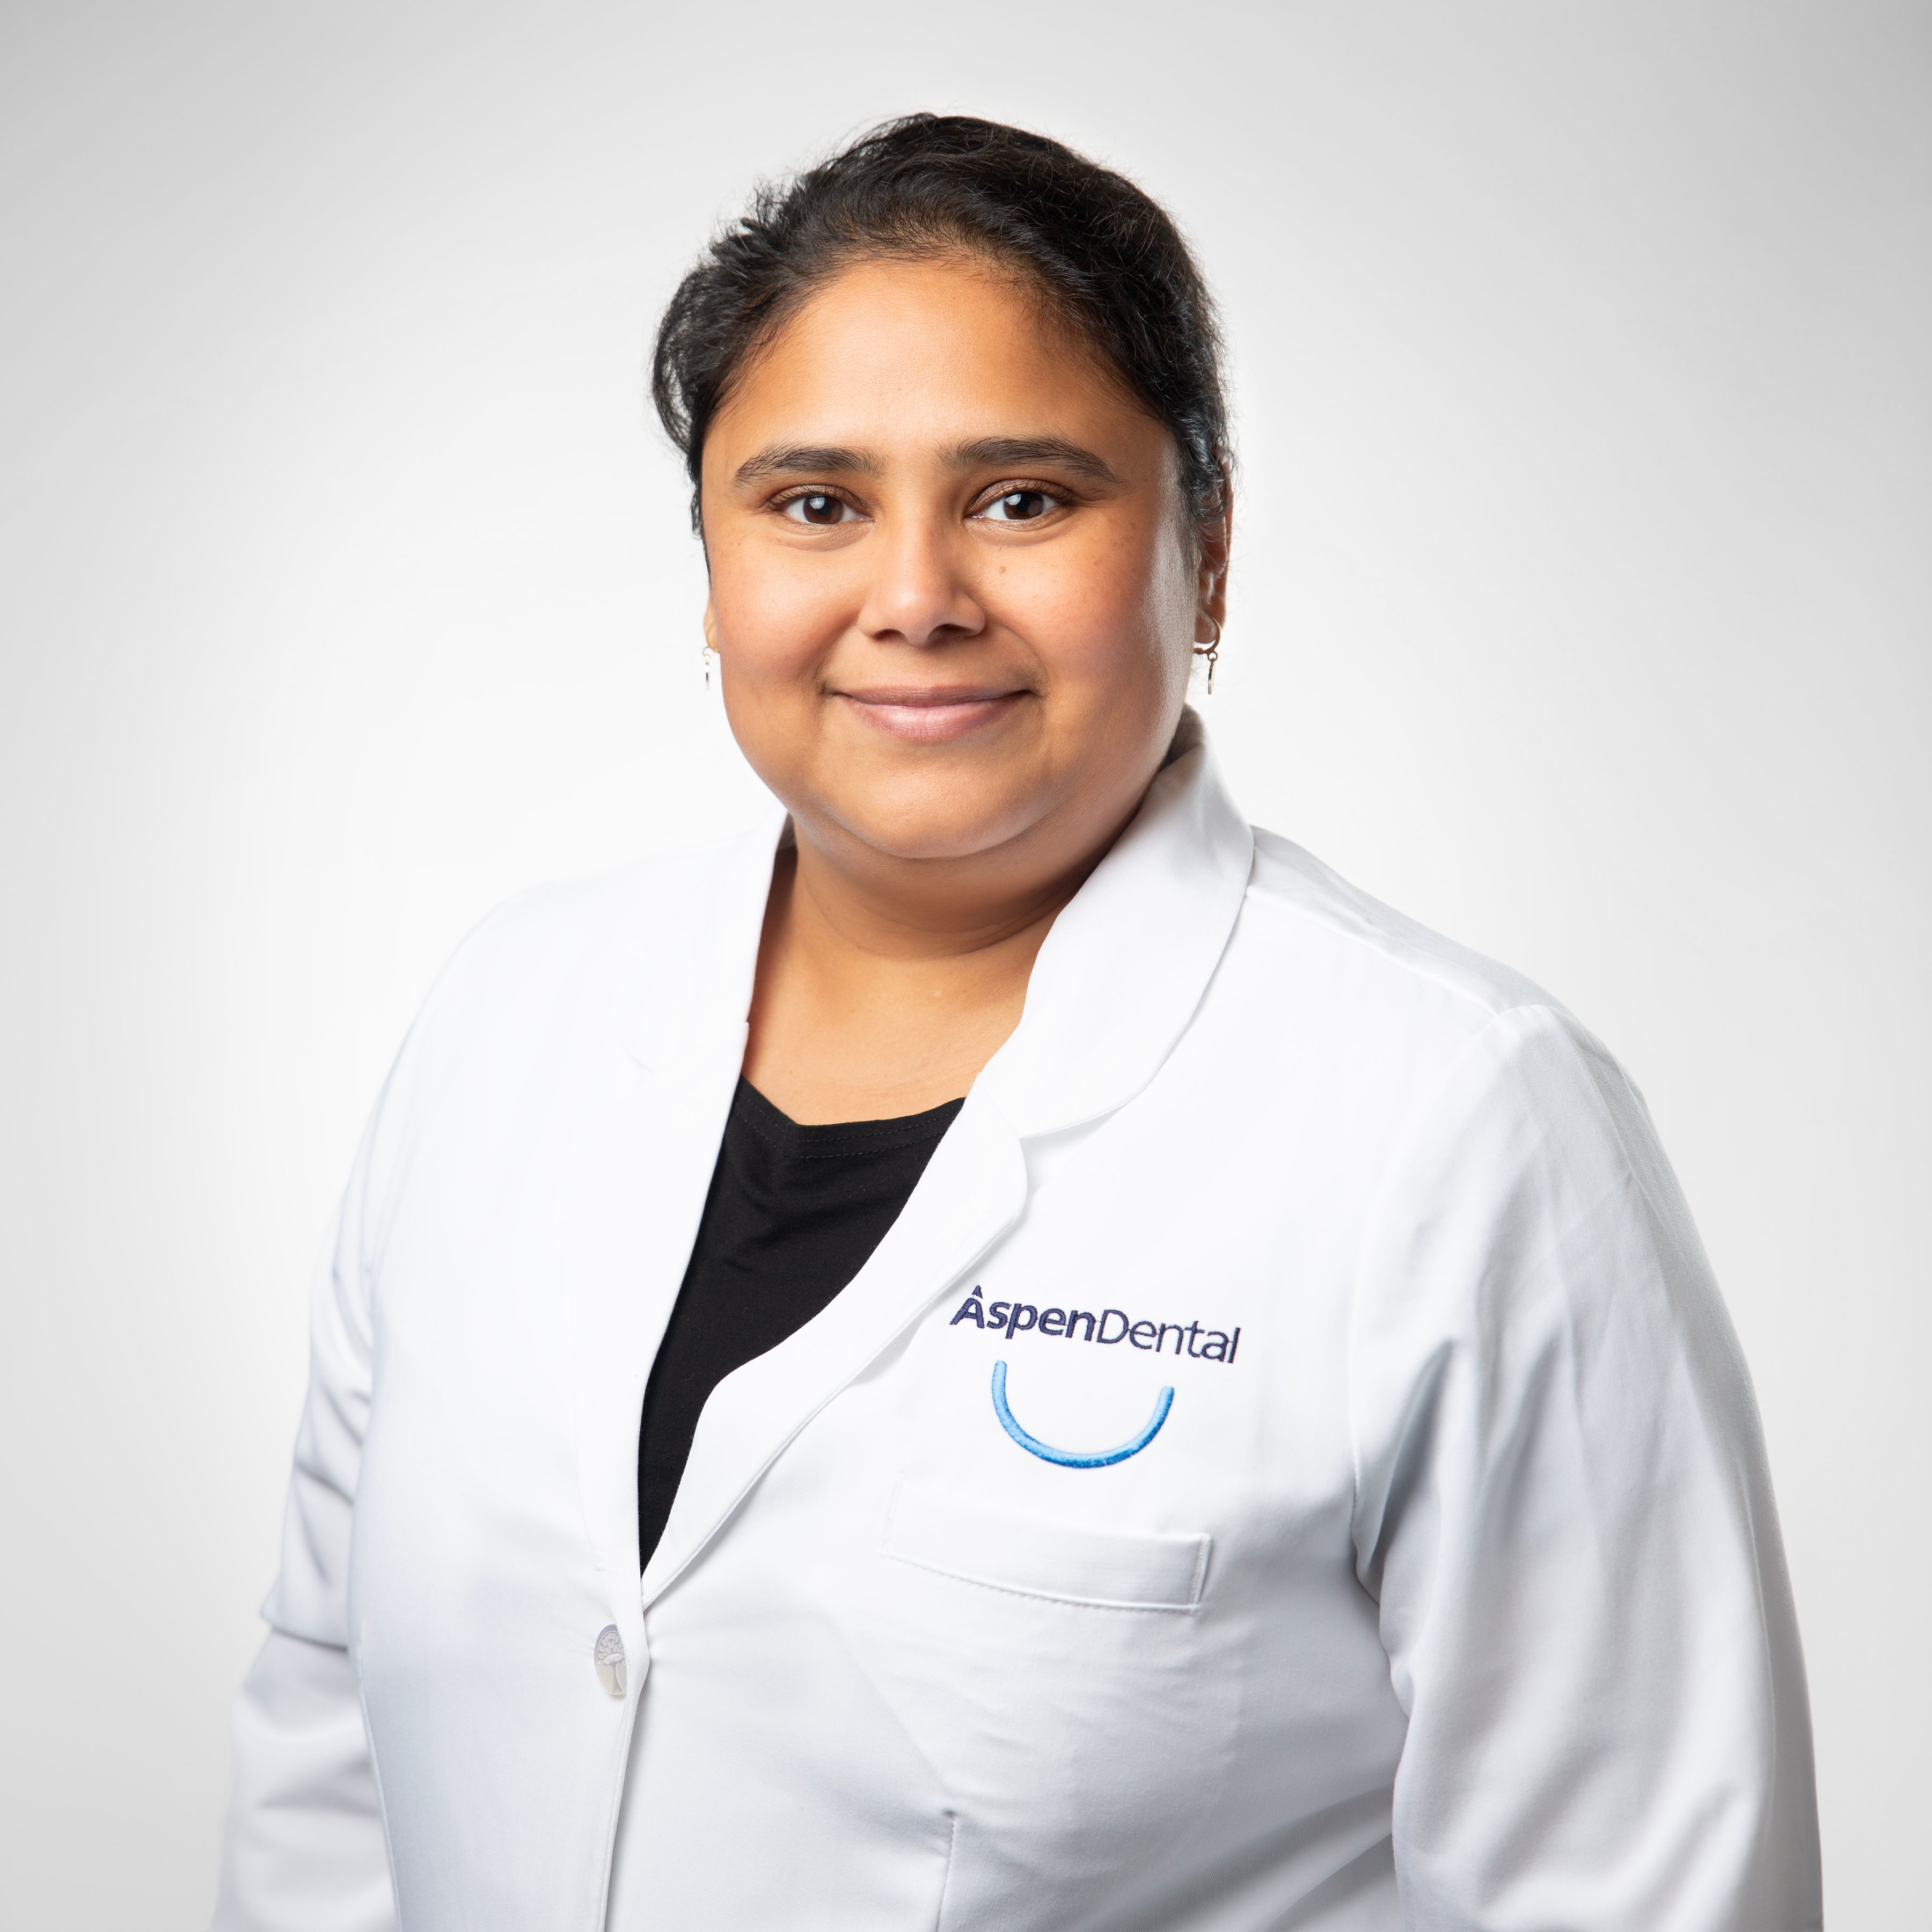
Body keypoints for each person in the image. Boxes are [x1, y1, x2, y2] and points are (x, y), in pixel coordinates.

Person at [213, 114, 1821, 1932]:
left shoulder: (1459, 1123)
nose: (916, 601)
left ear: (1209, 555)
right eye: (815, 504)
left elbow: (1635, 1893)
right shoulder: (506, 1020)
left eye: (1024, 500)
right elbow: (326, 1756)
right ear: (715, 565)